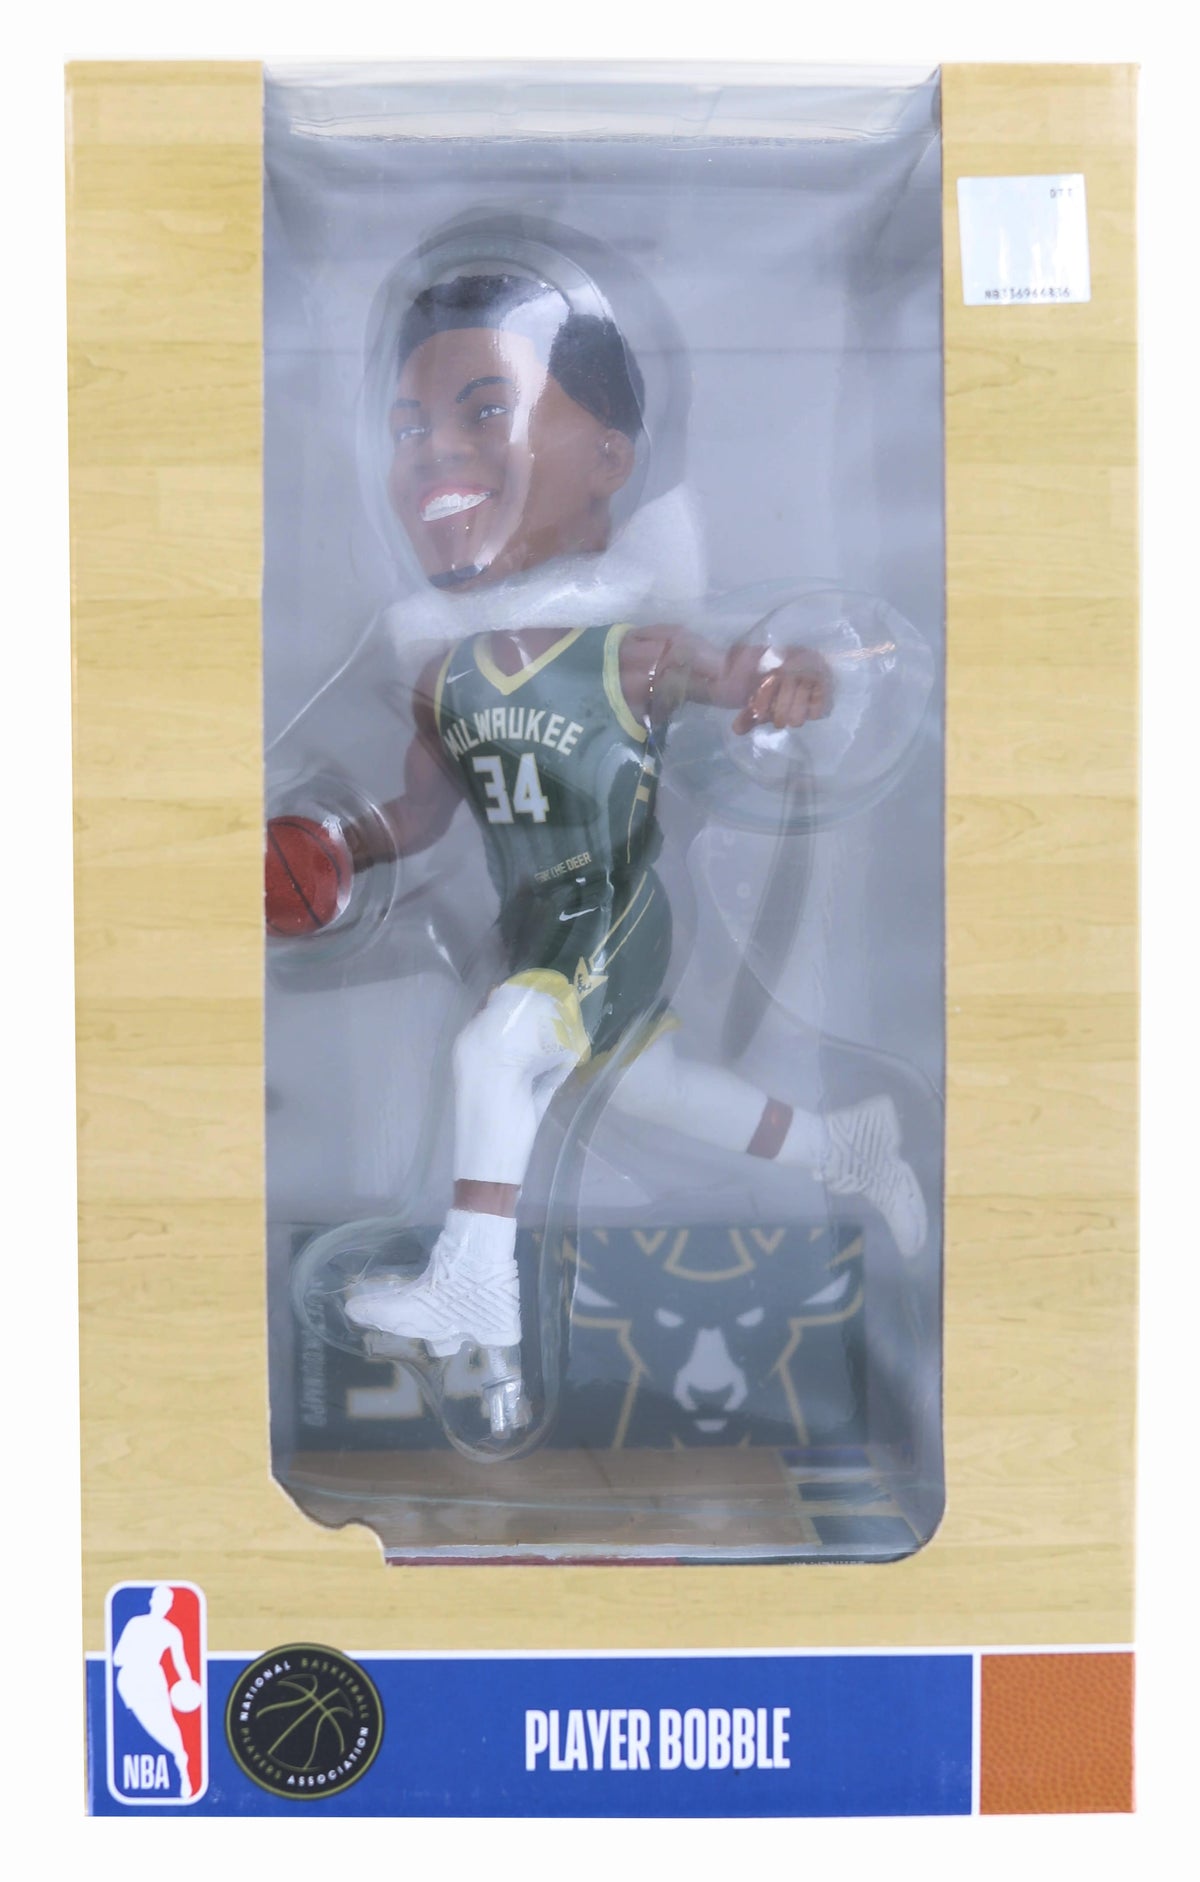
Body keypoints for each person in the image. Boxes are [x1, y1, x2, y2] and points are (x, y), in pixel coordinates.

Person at [268, 271, 925, 1431]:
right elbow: (417, 818)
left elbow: (747, 673)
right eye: (409, 427)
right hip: (535, 920)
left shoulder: (632, 651)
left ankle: (474, 1287)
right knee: (650, 1091)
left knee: (495, 1049)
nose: (436, 449)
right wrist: (332, 849)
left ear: (610, 458)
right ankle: (843, 1145)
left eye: (486, 409)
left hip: (613, 907)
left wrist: (799, 681)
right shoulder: (444, 677)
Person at [112, 1585, 195, 1799]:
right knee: (146, 1724)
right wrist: (137, 1656)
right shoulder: (136, 1623)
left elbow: (181, 1663)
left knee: (166, 1723)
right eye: (160, 1600)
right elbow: (117, 1658)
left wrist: (188, 1683)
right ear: (152, 1601)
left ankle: (182, 1764)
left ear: (170, 1606)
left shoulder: (172, 1631)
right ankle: (179, 1758)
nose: (163, 1605)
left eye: (167, 1602)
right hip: (130, 1680)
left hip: (154, 1680)